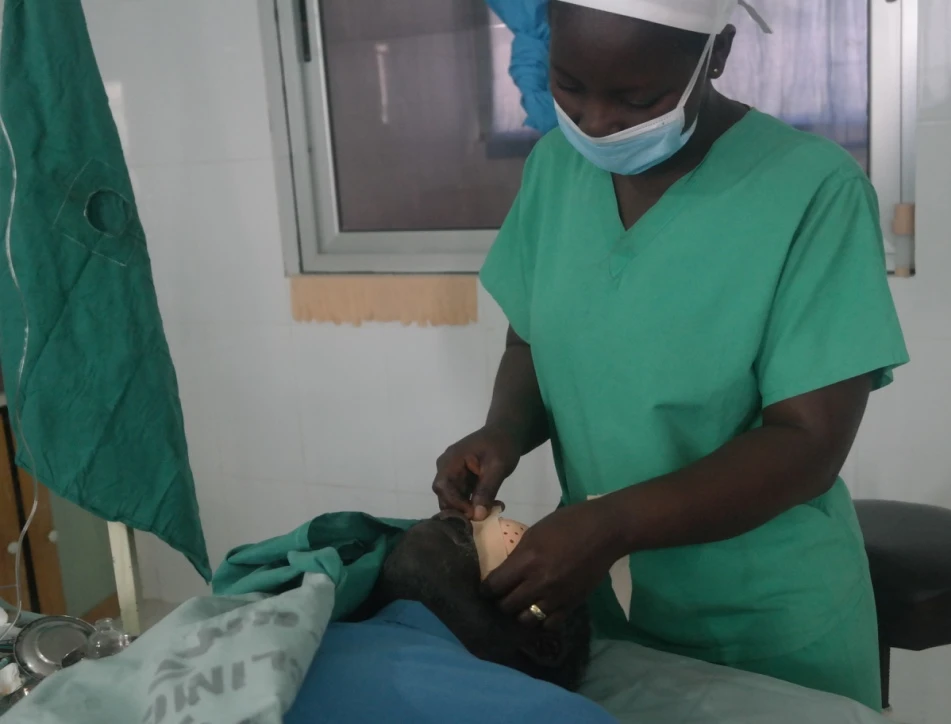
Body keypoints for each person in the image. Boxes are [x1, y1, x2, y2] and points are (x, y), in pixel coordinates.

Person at [432, 0, 908, 712]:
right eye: (570, 86)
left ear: (716, 55)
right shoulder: (556, 168)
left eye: (636, 99)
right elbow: (531, 337)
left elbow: (808, 442)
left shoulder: (813, 189)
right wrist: (504, 430)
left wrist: (614, 525)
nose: (596, 122)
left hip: (763, 617)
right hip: (598, 601)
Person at [286, 512, 615, 723]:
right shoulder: (311, 619)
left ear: (542, 643)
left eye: (508, 540)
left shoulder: (552, 713)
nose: (461, 517)